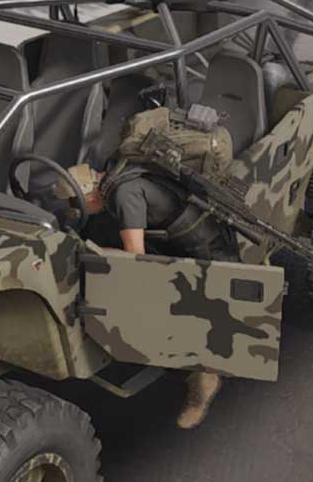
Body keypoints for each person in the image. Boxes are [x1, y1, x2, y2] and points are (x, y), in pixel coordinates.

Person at [55, 161, 228, 430]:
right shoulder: (116, 179)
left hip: (205, 252)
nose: (76, 210)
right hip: (176, 237)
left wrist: (95, 254)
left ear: (88, 196)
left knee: (145, 303)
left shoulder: (124, 195)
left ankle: (202, 376)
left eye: (77, 203)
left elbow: (136, 260)